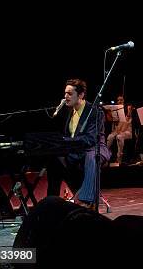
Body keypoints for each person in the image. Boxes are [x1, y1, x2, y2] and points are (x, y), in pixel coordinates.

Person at [47, 78, 111, 209]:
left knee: (92, 156)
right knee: (54, 158)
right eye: (65, 93)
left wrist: (66, 142)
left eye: (70, 94)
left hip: (95, 148)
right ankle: (50, 202)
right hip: (76, 151)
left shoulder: (94, 111)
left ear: (81, 95)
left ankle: (86, 201)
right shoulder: (68, 111)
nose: (65, 96)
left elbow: (90, 139)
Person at [106, 95, 134, 166]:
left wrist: (129, 113)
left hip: (127, 132)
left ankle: (119, 158)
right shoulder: (115, 111)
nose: (119, 101)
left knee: (119, 137)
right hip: (118, 131)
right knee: (110, 137)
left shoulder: (128, 111)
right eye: (118, 100)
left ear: (124, 101)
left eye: (121, 100)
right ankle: (105, 156)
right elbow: (114, 128)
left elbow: (125, 126)